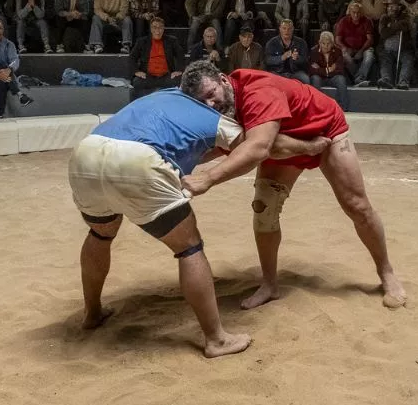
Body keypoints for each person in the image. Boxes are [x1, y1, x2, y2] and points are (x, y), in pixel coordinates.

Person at [70, 89, 328, 358]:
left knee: (100, 234)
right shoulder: (212, 116)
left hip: (86, 152)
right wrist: (310, 147)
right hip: (137, 160)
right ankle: (216, 339)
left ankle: (93, 313)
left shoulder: (162, 95)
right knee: (189, 248)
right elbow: (265, 146)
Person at [179, 63, 407, 310]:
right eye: (204, 102)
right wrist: (174, 161)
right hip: (280, 145)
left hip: (324, 132)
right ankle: (269, 285)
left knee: (357, 206)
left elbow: (257, 150)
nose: (211, 105)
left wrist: (208, 178)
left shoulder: (258, 91)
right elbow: (225, 145)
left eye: (212, 94)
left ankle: (387, 273)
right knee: (263, 210)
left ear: (223, 80)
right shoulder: (219, 108)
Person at [130, 16, 184, 98]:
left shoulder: (171, 40)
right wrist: (136, 71)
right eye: (154, 28)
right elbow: (132, 57)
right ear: (151, 29)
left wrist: (179, 70)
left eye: (160, 28)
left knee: (179, 81)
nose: (157, 31)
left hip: (166, 76)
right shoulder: (142, 41)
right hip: (148, 76)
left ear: (163, 29)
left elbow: (181, 55)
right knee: (137, 82)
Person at [309, 30, 350, 110]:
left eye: (328, 44)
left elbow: (340, 69)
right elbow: (312, 70)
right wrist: (328, 70)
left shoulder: (337, 51)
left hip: (333, 77)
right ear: (319, 43)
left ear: (332, 43)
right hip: (320, 77)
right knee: (315, 78)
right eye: (323, 43)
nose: (325, 46)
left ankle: (343, 108)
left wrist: (320, 70)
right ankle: (318, 108)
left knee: (341, 79)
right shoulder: (314, 51)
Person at [265, 18, 311, 84]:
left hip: (295, 72)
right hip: (277, 72)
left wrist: (297, 58)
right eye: (284, 28)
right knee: (269, 80)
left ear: (293, 29)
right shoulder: (272, 43)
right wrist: (282, 58)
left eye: (289, 29)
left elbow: (305, 60)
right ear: (280, 29)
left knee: (305, 79)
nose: (287, 31)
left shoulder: (301, 42)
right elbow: (268, 60)